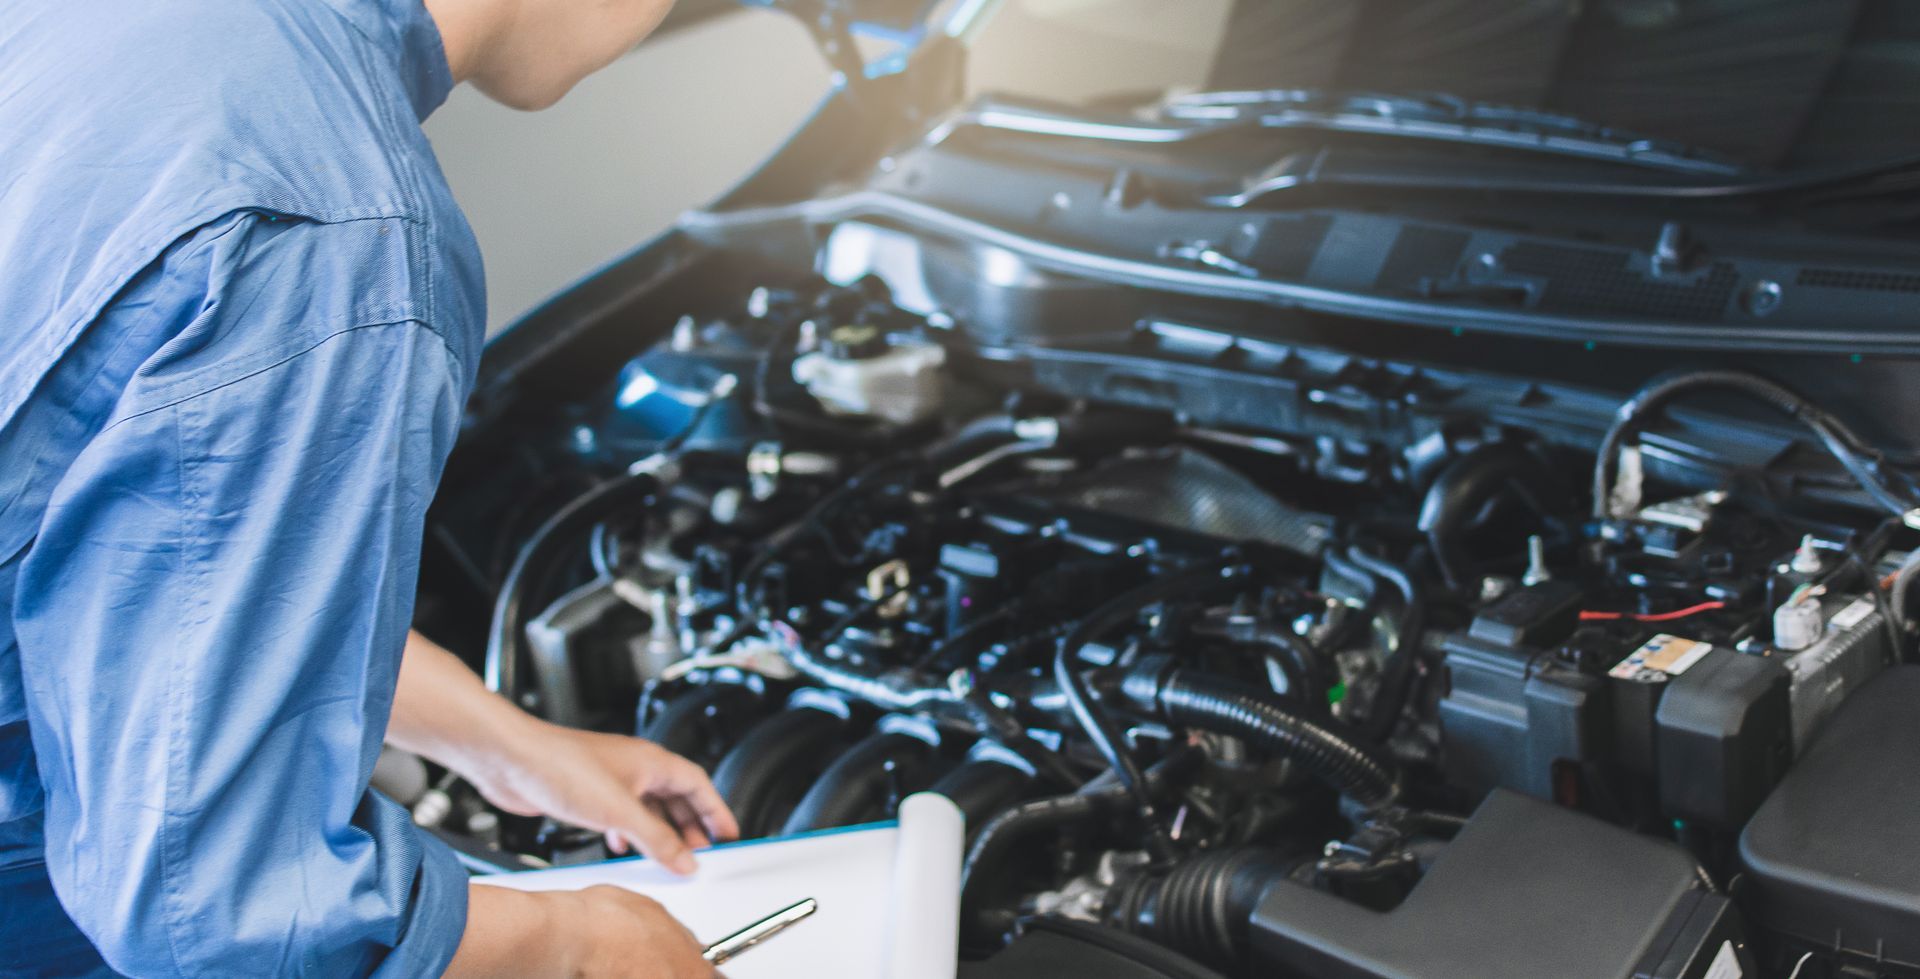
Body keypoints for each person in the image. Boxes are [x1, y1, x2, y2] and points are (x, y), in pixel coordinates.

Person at [0, 0, 739, 975]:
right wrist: (573, 943)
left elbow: (142, 552)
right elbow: (212, 919)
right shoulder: (334, 243)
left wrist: (500, 741)